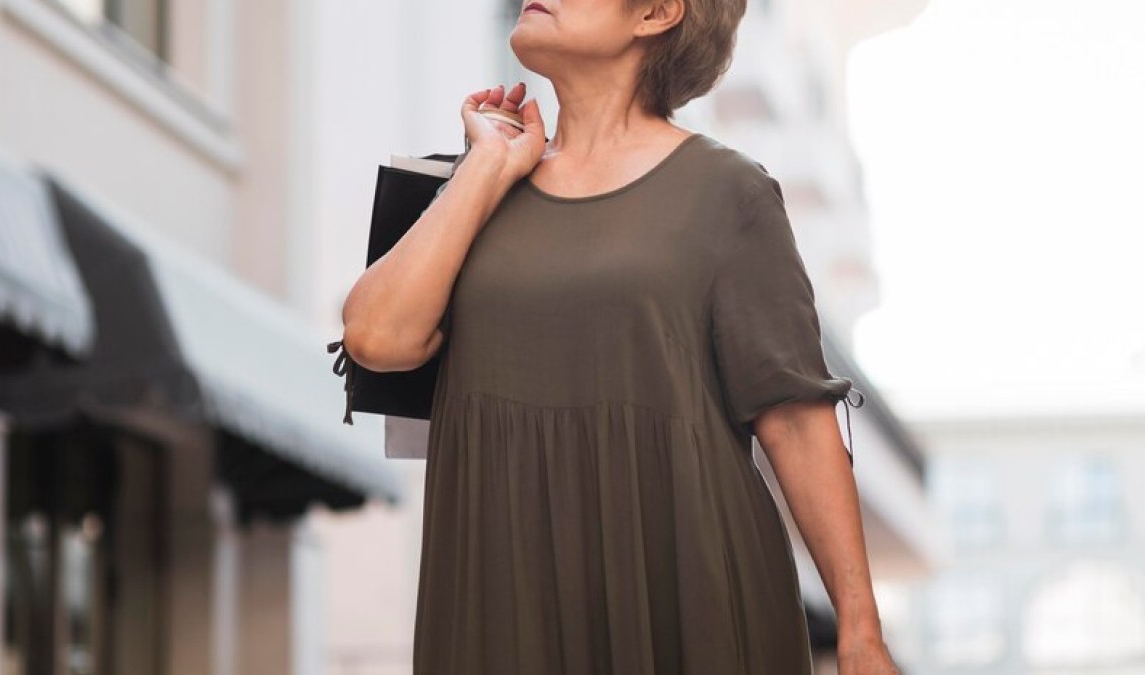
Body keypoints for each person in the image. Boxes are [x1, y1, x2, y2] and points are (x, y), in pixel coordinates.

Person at [339, 1, 901, 673]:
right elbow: (374, 337)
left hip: (686, 588)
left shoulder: (727, 191)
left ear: (657, 13)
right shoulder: (480, 186)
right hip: (501, 589)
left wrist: (861, 634)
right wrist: (485, 167)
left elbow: (797, 421)